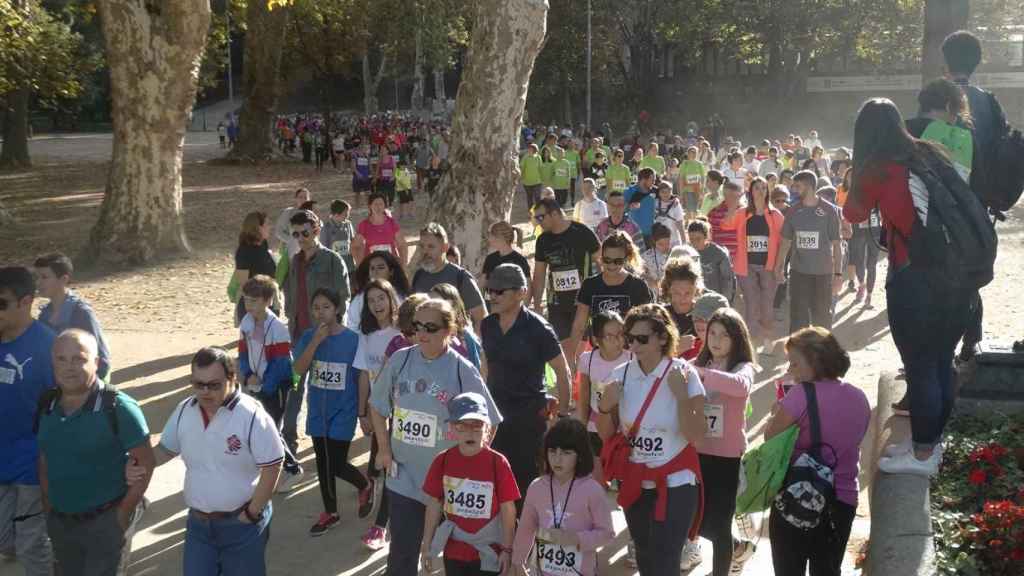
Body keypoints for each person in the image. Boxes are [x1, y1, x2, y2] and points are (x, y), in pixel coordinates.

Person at [843, 98, 971, 476]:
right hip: (958, 274)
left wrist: (856, 171)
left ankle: (921, 453)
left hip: (914, 276)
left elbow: (853, 214)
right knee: (942, 359)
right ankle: (934, 441)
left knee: (919, 364)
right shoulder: (931, 152)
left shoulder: (877, 168)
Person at [369, 298, 501, 576]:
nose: (422, 334)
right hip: (404, 476)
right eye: (418, 326)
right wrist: (383, 449)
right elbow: (377, 406)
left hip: (448, 484)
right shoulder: (400, 359)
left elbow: (489, 418)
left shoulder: (461, 369)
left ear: (448, 331)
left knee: (455, 557)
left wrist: (473, 461)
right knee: (402, 554)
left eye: (430, 327)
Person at [146, 348, 284, 576]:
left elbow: (272, 466)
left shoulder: (251, 415)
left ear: (232, 379)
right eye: (198, 384)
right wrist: (135, 463)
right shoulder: (184, 410)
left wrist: (251, 513)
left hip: (242, 527)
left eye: (214, 385)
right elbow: (164, 450)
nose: (205, 392)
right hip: (198, 527)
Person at [595, 304, 706, 576]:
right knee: (644, 557)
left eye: (642, 338)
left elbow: (697, 436)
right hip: (635, 481)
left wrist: (681, 397)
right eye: (629, 338)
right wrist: (606, 407)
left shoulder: (684, 374)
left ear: (663, 338)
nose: (634, 344)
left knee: (666, 559)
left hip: (677, 481)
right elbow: (605, 434)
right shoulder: (619, 374)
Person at [38, 330, 152, 576]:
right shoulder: (46, 405)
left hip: (105, 522)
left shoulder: (119, 407)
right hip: (61, 522)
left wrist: (122, 514)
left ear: (96, 363)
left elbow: (145, 462)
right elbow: (45, 457)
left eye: (79, 359)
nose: (69, 367)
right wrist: (48, 506)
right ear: (52, 362)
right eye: (61, 359)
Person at [763, 328, 869, 575]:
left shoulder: (800, 394)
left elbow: (771, 437)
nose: (791, 371)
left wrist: (776, 412)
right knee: (827, 569)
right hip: (841, 500)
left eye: (795, 364)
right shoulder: (858, 397)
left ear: (815, 362)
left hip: (798, 496)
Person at [482, 264, 572, 511]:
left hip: (528, 417)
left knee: (525, 481)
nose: (493, 296)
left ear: (521, 293)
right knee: (495, 479)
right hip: (495, 415)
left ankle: (527, 538)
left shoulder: (538, 328)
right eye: (490, 290)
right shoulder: (487, 325)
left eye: (500, 291)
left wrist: (562, 415)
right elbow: (485, 367)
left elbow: (562, 371)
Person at [292, 288, 374, 535]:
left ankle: (364, 485)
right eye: (316, 307)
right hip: (318, 409)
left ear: (337, 309)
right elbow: (298, 369)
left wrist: (362, 410)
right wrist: (316, 341)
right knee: (323, 462)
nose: (320, 312)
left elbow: (362, 376)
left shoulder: (354, 339)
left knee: (336, 463)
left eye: (326, 306)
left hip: (344, 410)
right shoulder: (308, 337)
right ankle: (331, 512)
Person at [282, 209, 351, 486]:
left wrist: (329, 331)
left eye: (305, 233)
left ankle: (330, 458)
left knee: (321, 397)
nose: (301, 239)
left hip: (324, 339)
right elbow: (289, 295)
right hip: (298, 338)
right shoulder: (294, 260)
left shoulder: (333, 261)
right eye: (295, 234)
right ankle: (289, 460)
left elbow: (343, 299)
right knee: (291, 396)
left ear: (317, 229)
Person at [420, 393, 519, 576]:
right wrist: (427, 544)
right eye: (462, 426)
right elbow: (434, 504)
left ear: (488, 428)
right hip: (454, 552)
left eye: (477, 425)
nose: (470, 432)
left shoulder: (498, 463)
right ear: (452, 428)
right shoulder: (442, 461)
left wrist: (507, 549)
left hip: (489, 552)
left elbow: (508, 509)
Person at [690, 310, 757, 576]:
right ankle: (739, 547)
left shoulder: (744, 368)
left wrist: (700, 375)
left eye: (724, 335)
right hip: (696, 453)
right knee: (694, 520)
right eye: (712, 333)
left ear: (737, 339)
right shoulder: (699, 362)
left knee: (719, 525)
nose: (716, 340)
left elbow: (740, 386)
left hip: (727, 458)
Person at [0, 266, 55, 576]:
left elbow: (64, 407)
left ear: (26, 302)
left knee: (30, 545)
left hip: (33, 464)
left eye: (1, 303)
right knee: (6, 539)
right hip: (1, 459)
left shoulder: (48, 347)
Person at [511, 418, 615, 576]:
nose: (557, 459)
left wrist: (576, 539)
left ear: (580, 455)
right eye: (552, 451)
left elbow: (607, 534)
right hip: (541, 571)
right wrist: (518, 562)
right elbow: (526, 528)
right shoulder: (537, 487)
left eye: (566, 453)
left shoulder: (592, 490)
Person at [237, 276, 303, 490]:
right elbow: (244, 353)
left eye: (254, 301)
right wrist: (247, 376)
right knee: (262, 428)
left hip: (277, 386)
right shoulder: (246, 323)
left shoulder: (277, 329)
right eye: (246, 300)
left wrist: (266, 386)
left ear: (268, 300)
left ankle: (292, 469)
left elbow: (280, 364)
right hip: (256, 384)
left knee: (271, 429)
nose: (249, 305)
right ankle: (274, 469)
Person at [569, 231, 654, 367]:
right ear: (601, 258)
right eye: (607, 260)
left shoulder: (637, 286)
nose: (612, 265)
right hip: (599, 355)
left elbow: (646, 326)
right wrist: (571, 356)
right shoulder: (590, 285)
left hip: (630, 357)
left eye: (618, 261)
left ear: (626, 259)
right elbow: (579, 325)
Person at [531, 198, 602, 360]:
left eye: (541, 217)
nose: (538, 222)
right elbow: (539, 274)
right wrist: (537, 306)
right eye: (536, 218)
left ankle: (578, 382)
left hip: (582, 302)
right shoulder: (542, 240)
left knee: (579, 351)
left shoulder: (582, 232)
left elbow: (601, 261)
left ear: (555, 213)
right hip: (557, 303)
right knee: (565, 352)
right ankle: (568, 382)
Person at [722, 176, 785, 352]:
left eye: (764, 188)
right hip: (746, 265)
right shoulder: (742, 213)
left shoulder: (775, 215)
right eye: (757, 188)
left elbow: (784, 241)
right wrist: (734, 206)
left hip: (768, 266)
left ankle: (768, 341)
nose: (761, 191)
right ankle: (751, 346)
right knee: (751, 303)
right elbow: (726, 224)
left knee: (767, 305)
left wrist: (780, 266)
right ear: (751, 191)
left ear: (768, 192)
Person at [775, 170, 842, 332]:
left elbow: (837, 245)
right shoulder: (793, 211)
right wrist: (779, 267)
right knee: (798, 318)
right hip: (799, 273)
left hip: (823, 273)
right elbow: (785, 242)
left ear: (809, 186)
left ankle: (821, 354)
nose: (794, 190)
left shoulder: (830, 211)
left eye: (797, 186)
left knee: (822, 318)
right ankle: (798, 354)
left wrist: (838, 275)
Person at [33, 253, 112, 382]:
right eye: (37, 277)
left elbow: (102, 359)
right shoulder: (44, 314)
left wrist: (88, 390)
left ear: (63, 279)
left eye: (44, 277)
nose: (38, 283)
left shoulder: (81, 313)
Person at [575, 310, 630, 485]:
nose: (617, 340)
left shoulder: (633, 358)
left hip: (624, 429)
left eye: (621, 334)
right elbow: (583, 395)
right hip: (595, 427)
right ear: (597, 340)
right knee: (598, 481)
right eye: (610, 336)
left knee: (620, 481)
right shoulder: (587, 360)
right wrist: (581, 426)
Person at [411, 223, 487, 335]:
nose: (425, 252)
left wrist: (471, 347)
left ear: (445, 248)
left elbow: (481, 319)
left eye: (431, 246)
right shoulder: (418, 276)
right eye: (422, 246)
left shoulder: (461, 277)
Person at [840, 169, 880, 309]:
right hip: (858, 230)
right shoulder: (853, 193)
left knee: (872, 263)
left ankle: (869, 295)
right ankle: (862, 284)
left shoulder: (877, 190)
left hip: (874, 230)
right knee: (858, 261)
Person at [346, 250, 411, 333]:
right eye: (372, 268)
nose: (375, 272)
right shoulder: (360, 299)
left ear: (391, 271)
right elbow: (352, 328)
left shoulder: (402, 295)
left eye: (381, 267)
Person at [232, 212, 279, 324]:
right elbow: (243, 283)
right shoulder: (244, 251)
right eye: (266, 224)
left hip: (269, 300)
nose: (270, 227)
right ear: (258, 228)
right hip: (254, 305)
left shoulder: (263, 244)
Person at [430, 283, 484, 370]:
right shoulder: (426, 333)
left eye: (438, 303)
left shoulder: (466, 336)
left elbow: (476, 369)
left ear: (453, 306)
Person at [353, 192, 409, 267]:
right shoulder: (364, 225)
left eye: (381, 204)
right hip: (372, 267)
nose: (378, 207)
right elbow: (355, 246)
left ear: (384, 206)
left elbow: (402, 245)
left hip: (390, 265)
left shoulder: (392, 223)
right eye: (375, 204)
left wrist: (403, 264)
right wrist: (360, 265)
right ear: (370, 206)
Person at [687, 219, 736, 302]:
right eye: (691, 239)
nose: (694, 243)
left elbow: (727, 280)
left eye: (698, 239)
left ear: (706, 237)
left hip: (716, 299)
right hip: (695, 300)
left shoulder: (719, 254)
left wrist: (725, 301)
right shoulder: (687, 253)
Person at [481, 222, 531, 299]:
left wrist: (522, 308)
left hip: (511, 307)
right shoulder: (490, 259)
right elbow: (482, 284)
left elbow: (527, 289)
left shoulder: (520, 260)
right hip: (492, 306)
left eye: (490, 235)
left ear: (500, 237)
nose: (488, 239)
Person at [320, 200, 357, 283]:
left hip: (349, 266)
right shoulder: (326, 228)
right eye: (346, 213)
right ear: (337, 213)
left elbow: (353, 242)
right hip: (334, 267)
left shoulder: (348, 224)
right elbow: (323, 249)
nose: (348, 216)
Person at [707, 181, 743, 260]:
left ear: (739, 196)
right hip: (719, 257)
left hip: (740, 258)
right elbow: (710, 236)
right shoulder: (714, 212)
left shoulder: (745, 212)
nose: (729, 198)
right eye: (727, 195)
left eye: (733, 196)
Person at [623, 167, 658, 247]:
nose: (654, 182)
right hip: (634, 234)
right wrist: (629, 207)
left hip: (651, 234)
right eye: (652, 180)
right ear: (643, 180)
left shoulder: (655, 191)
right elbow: (620, 209)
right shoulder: (629, 191)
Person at [274, 188, 311, 255]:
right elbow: (278, 231)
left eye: (305, 197)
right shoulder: (288, 212)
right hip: (293, 252)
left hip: (309, 252)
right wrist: (291, 241)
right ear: (296, 199)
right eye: (300, 197)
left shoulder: (312, 215)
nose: (303, 200)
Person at [641, 223, 675, 291]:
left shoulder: (674, 254)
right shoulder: (646, 256)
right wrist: (649, 279)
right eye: (661, 244)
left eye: (667, 243)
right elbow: (641, 273)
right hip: (653, 290)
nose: (665, 247)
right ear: (654, 242)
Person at [654, 180, 686, 247]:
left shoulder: (675, 204)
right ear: (659, 193)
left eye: (668, 192)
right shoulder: (655, 203)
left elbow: (680, 224)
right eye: (663, 192)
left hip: (674, 240)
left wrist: (684, 242)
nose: (666, 194)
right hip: (659, 241)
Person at [679, 146, 706, 215]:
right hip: (687, 190)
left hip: (697, 190)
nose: (693, 154)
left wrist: (702, 190)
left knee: (695, 209)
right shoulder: (684, 163)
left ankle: (694, 223)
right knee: (689, 209)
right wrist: (681, 192)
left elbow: (703, 178)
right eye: (692, 152)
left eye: (695, 153)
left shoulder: (699, 164)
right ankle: (688, 223)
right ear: (688, 154)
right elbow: (681, 178)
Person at [521, 143, 544, 209]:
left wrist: (542, 179)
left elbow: (540, 168)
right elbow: (522, 167)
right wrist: (521, 177)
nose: (530, 150)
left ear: (535, 150)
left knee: (537, 197)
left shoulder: (538, 157)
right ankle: (530, 211)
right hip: (527, 182)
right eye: (529, 148)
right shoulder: (525, 157)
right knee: (529, 197)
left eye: (532, 148)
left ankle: (538, 210)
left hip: (537, 181)